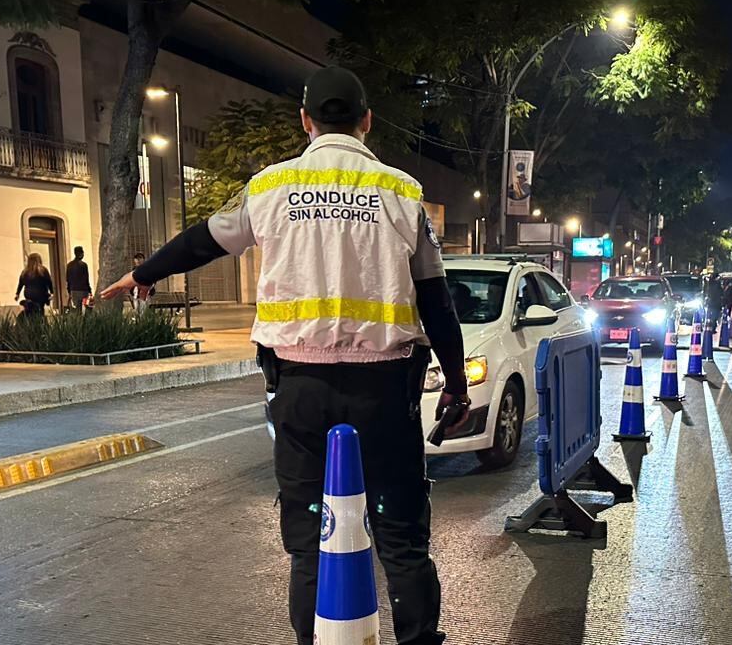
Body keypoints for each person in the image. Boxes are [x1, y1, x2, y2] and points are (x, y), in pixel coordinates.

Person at [101, 66, 467, 645]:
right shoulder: (401, 192)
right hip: (385, 392)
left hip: (298, 391)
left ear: (306, 120)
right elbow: (436, 300)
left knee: (309, 541)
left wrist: (143, 274)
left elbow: (203, 239)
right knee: (401, 537)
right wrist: (456, 384)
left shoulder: (270, 188)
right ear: (367, 121)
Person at [14, 252, 54, 319]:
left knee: (30, 310)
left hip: (29, 294)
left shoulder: (25, 272)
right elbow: (49, 282)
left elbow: (20, 283)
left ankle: (30, 322)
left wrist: (17, 294)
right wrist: (52, 292)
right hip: (40, 295)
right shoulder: (43, 270)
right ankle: (39, 324)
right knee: (40, 310)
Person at [66, 246, 91, 312]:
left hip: (74, 290)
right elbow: (86, 279)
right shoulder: (84, 265)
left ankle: (78, 321)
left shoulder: (69, 265)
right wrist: (89, 291)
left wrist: (69, 290)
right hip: (84, 290)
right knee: (86, 308)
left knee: (76, 310)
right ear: (81, 253)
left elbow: (68, 279)